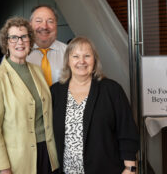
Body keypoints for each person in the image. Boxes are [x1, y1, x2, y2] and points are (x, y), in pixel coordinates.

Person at [0, 17, 59, 174]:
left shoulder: (37, 71)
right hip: (15, 161)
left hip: (46, 153)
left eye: (24, 36)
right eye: (14, 37)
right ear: (6, 42)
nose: (20, 42)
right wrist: (3, 168)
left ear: (30, 41)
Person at [50, 37, 139, 174]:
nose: (82, 61)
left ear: (94, 60)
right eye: (75, 56)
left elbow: (126, 131)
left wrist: (130, 168)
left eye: (87, 56)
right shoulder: (55, 92)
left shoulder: (112, 90)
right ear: (68, 60)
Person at [26, 5, 67, 86]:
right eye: (38, 21)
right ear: (30, 25)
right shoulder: (17, 55)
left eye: (50, 21)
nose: (44, 26)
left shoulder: (69, 53)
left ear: (56, 25)